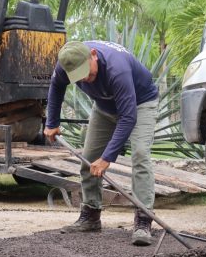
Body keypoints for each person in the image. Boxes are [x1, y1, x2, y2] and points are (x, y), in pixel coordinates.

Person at [43, 40, 159, 246]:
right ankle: (91, 216)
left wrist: (107, 159)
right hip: (104, 108)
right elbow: (56, 87)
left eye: (89, 73)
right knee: (88, 158)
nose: (87, 79)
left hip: (140, 105)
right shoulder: (66, 63)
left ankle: (143, 220)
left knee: (140, 154)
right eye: (81, 77)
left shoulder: (117, 68)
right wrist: (52, 122)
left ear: (93, 55)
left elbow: (128, 118)